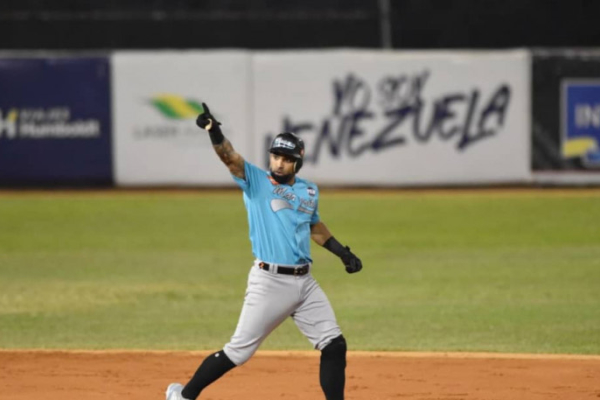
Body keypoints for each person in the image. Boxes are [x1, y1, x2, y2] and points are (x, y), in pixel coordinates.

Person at [166, 103, 363, 400]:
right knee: (237, 352)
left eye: (286, 158)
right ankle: (183, 396)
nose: (279, 163)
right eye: (275, 156)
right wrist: (214, 131)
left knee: (334, 344)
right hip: (270, 282)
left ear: (299, 160)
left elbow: (314, 226)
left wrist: (343, 253)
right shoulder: (256, 182)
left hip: (305, 283)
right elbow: (229, 157)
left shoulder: (309, 190)